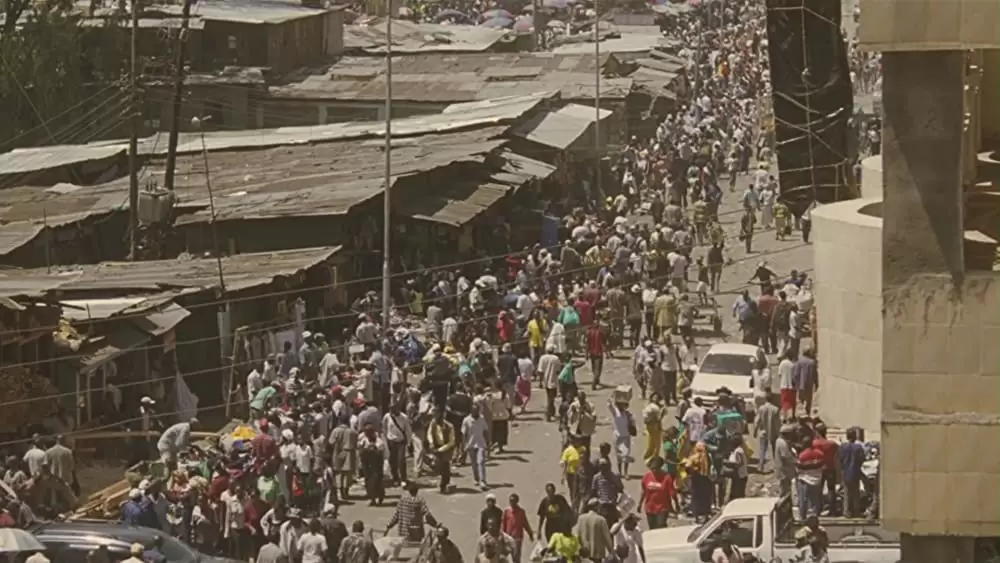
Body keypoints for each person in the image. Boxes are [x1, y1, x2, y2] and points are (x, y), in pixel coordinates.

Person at [386, 482, 437, 558]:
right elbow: (427, 515)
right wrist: (435, 524)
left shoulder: (402, 500)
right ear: (417, 491)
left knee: (402, 549)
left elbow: (396, 515)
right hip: (416, 532)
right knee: (418, 551)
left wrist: (389, 525)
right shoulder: (420, 500)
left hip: (403, 532)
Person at [638, 457, 676, 530]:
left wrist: (676, 504)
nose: (654, 470)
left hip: (662, 507)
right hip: (650, 507)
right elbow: (643, 491)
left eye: (656, 468)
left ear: (660, 467)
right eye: (652, 468)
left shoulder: (667, 477)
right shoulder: (646, 477)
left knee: (660, 526)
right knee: (652, 528)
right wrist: (639, 504)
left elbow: (672, 492)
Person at [838, 428, 866, 517]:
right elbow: (862, 459)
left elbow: (840, 459)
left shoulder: (843, 447)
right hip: (855, 471)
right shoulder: (858, 447)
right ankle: (856, 511)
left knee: (846, 492)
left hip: (845, 471)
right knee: (855, 493)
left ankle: (846, 511)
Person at [426, 409, 456, 493]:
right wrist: (431, 443)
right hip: (436, 446)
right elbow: (429, 433)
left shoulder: (449, 426)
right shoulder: (433, 423)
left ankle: (444, 485)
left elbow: (452, 441)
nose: (435, 419)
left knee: (445, 466)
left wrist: (441, 450)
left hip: (447, 447)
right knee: (438, 466)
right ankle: (445, 481)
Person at [462, 403, 490, 490]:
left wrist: (488, 442)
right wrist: (464, 445)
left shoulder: (481, 418)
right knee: (474, 464)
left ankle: (483, 481)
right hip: (471, 444)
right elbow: (464, 434)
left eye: (477, 411)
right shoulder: (466, 420)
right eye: (474, 411)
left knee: (480, 462)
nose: (476, 413)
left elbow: (485, 430)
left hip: (481, 443)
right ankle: (476, 478)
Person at [502, 493, 534, 563]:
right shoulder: (506, 511)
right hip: (507, 537)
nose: (511, 502)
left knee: (516, 557)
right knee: (503, 556)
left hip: (517, 538)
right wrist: (501, 536)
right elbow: (503, 524)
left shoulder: (521, 512)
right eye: (510, 500)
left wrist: (530, 533)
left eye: (513, 501)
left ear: (517, 501)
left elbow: (525, 523)